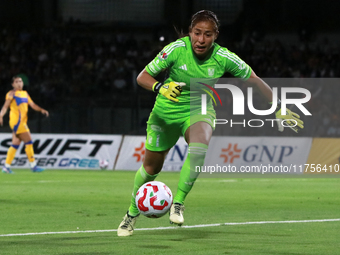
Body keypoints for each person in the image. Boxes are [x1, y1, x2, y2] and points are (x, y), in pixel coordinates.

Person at [117, 10, 303, 236]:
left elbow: (254, 79)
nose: (201, 40)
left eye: (207, 34)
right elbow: (142, 77)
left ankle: (178, 202)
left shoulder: (224, 57)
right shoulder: (176, 49)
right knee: (150, 169)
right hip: (165, 112)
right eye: (197, 33)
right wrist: (161, 87)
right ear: (190, 32)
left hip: (200, 108)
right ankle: (131, 214)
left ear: (215, 36)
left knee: (198, 147)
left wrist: (279, 106)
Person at [0, 76, 49, 174]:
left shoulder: (25, 94)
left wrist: (41, 110)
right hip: (17, 122)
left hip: (22, 122)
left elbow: (33, 105)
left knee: (15, 144)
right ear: (12, 84)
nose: (19, 83)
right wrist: (0, 115)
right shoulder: (11, 93)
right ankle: (33, 166)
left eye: (20, 81)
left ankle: (6, 167)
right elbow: (5, 106)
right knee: (29, 142)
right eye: (16, 82)